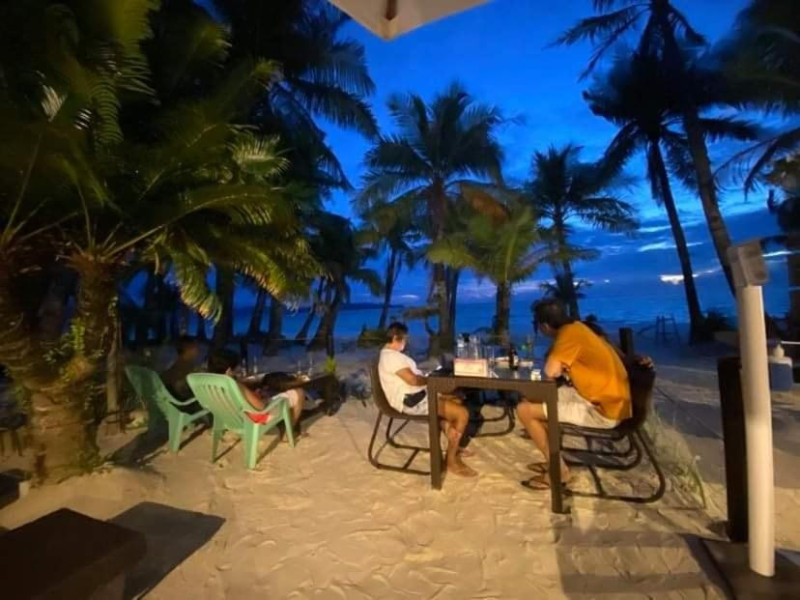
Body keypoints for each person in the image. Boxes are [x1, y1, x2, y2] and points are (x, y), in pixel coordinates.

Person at [517, 299, 632, 490]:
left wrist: (557, 362)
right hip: (603, 399)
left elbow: (551, 371)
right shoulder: (577, 328)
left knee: (524, 410)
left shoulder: (568, 335)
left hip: (602, 410)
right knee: (534, 399)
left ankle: (559, 471)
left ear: (544, 325)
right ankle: (554, 459)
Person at [378, 322, 477, 477]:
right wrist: (430, 380)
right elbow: (413, 380)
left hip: (418, 395)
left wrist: (426, 377)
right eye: (404, 339)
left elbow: (412, 378)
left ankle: (451, 438)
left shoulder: (390, 355)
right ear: (396, 338)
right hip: (412, 401)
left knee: (457, 399)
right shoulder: (391, 357)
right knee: (462, 413)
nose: (406, 342)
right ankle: (451, 460)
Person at [207, 349, 305, 431]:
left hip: (231, 417)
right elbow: (261, 407)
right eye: (236, 367)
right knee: (299, 392)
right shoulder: (236, 386)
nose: (238, 369)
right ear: (229, 371)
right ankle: (289, 431)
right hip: (254, 418)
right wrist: (264, 398)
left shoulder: (209, 383)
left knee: (263, 389)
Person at [161, 336, 205, 414]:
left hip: (170, 400)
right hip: (182, 404)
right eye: (195, 347)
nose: (198, 350)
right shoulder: (185, 367)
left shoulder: (176, 363)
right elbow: (181, 389)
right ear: (188, 350)